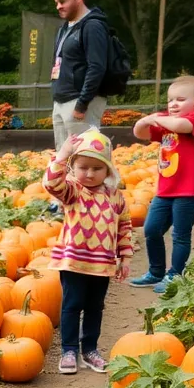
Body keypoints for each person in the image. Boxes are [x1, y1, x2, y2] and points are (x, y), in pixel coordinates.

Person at [44, 129, 134, 374]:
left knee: (95, 307)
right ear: (74, 167)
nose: (90, 173)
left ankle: (90, 349)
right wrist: (62, 156)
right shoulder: (73, 191)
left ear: (108, 170)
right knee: (72, 306)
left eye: (97, 168)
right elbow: (52, 183)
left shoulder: (116, 197)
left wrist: (124, 257)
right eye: (83, 167)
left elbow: (124, 227)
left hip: (102, 264)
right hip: (73, 262)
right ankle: (69, 350)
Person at [130, 76, 194, 293]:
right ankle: (156, 272)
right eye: (170, 100)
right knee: (152, 229)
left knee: (180, 235)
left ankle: (175, 275)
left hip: (191, 191)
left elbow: (179, 125)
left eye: (181, 99)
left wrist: (155, 117)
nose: (173, 104)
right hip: (166, 190)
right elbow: (140, 133)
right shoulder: (166, 123)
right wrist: (145, 121)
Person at [50, 0, 110, 149]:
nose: (58, 6)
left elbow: (97, 67)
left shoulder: (92, 26)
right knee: (64, 157)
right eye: (56, 3)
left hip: (79, 101)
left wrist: (82, 103)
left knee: (85, 155)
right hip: (62, 99)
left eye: (62, 1)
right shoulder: (65, 27)